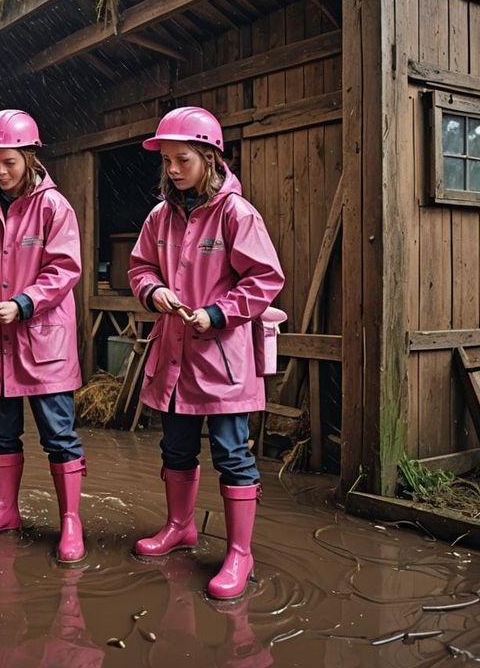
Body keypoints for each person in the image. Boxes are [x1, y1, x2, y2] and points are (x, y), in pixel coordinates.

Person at [127, 107, 285, 599]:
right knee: (174, 447)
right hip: (174, 356)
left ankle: (240, 553)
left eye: (184, 159)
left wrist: (217, 314)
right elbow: (139, 269)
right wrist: (154, 294)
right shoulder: (160, 216)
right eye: (168, 161)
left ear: (211, 157)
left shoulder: (237, 214)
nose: (173, 170)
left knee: (232, 454)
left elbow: (265, 280)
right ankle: (180, 527)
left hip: (222, 358)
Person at [0, 110, 86, 563]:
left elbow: (64, 269)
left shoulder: (53, 208)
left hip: (42, 340)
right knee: (0, 433)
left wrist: (24, 303)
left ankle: (70, 522)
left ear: (29, 157)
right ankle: (4, 510)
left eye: (9, 162)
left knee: (59, 435)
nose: (1, 172)